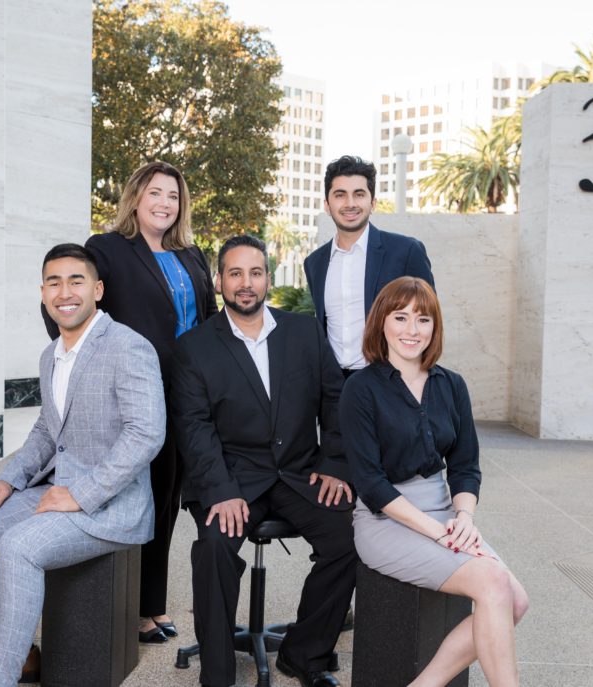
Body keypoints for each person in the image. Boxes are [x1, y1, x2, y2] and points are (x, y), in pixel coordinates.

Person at [0, 244, 166, 687]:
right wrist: (9, 479)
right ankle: (21, 654)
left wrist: (80, 494)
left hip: (108, 505)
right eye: (54, 282)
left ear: (97, 289)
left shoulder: (128, 347)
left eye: (76, 280)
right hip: (55, 489)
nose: (65, 291)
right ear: (43, 293)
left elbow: (146, 434)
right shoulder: (51, 355)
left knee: (20, 546)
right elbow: (48, 429)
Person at [42, 161, 218, 643]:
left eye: (174, 196)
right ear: (136, 197)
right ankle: (134, 608)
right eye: (155, 193)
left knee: (167, 498)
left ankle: (153, 604)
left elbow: (207, 318)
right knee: (141, 494)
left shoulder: (192, 253)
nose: (165, 204)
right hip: (140, 393)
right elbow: (70, 306)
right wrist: (87, 368)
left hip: (189, 393)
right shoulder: (108, 249)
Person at [171, 235, 357, 687]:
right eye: (234, 273)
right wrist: (221, 492)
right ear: (219, 281)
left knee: (350, 538)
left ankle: (303, 654)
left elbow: (337, 403)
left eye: (255, 273)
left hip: (298, 473)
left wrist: (333, 464)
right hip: (231, 479)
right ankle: (218, 675)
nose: (245, 283)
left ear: (269, 278)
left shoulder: (305, 331)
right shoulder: (193, 347)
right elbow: (194, 429)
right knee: (214, 547)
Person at [340, 276, 529, 687]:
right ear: (381, 323)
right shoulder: (360, 389)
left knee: (516, 601)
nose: (412, 330)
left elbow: (465, 465)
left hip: (445, 511)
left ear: (434, 327)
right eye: (401, 317)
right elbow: (371, 484)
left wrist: (463, 518)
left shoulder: (451, 385)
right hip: (385, 520)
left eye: (423, 319)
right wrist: (439, 534)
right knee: (493, 581)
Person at [303, 155, 435, 381]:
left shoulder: (406, 251)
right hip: (333, 389)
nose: (350, 203)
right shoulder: (314, 262)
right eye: (340, 195)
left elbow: (428, 321)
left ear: (372, 204)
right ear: (327, 205)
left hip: (390, 382)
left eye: (359, 194)